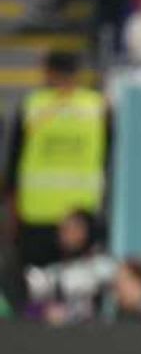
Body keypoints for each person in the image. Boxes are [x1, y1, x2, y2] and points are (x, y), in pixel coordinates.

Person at [4, 52, 109, 271]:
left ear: (48, 72)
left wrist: (12, 208)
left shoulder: (33, 105)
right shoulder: (96, 106)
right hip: (81, 214)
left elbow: (14, 161)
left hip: (37, 213)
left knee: (36, 285)